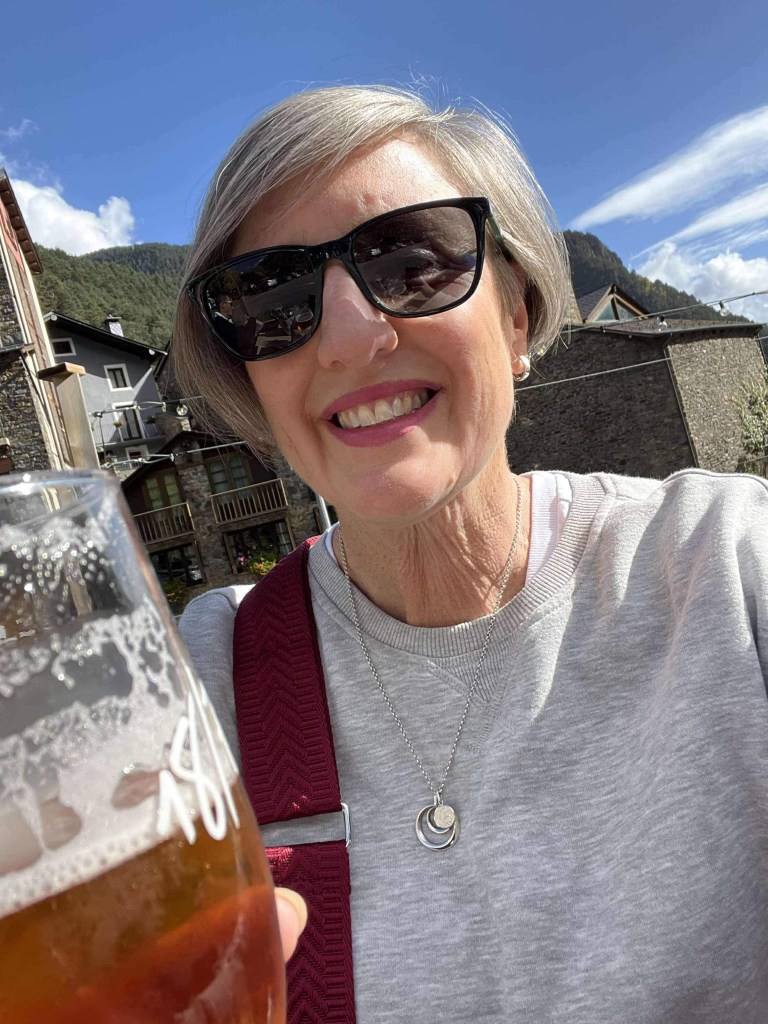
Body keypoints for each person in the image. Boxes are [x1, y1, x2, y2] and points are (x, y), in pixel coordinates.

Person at [173, 85, 768, 1022]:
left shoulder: (725, 570)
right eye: (273, 297)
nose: (350, 338)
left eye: (413, 263)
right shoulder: (205, 687)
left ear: (518, 314)